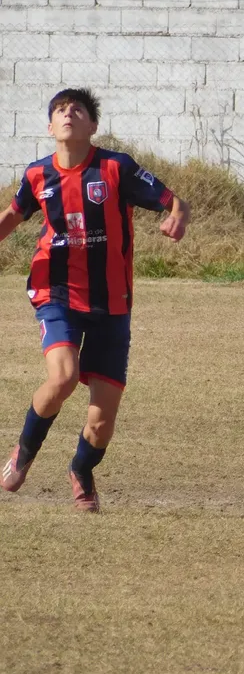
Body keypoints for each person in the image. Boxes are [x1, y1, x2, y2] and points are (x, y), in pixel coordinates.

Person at [0, 88, 190, 512]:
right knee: (63, 377)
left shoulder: (114, 168)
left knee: (101, 423)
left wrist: (178, 215)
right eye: (60, 110)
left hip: (112, 304)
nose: (68, 113)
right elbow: (12, 216)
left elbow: (172, 200)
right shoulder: (36, 176)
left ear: (92, 127)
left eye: (78, 109)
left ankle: (81, 470)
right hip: (57, 293)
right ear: (50, 128)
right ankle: (23, 453)